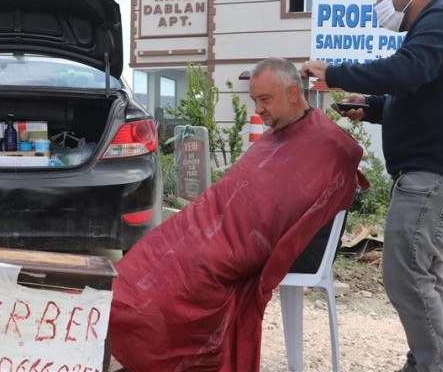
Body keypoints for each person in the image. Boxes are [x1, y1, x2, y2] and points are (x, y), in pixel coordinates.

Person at [109, 57, 367, 371]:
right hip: (212, 223)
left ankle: (180, 359)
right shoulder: (277, 134)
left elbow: (293, 213)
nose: (258, 109)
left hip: (247, 244)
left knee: (179, 279)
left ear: (292, 93)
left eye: (265, 99)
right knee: (151, 253)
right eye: (255, 100)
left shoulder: (330, 145)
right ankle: (145, 348)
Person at [301, 0, 443, 371]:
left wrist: (332, 73)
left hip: (436, 176)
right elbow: (425, 98)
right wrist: (372, 108)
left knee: (406, 273)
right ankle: (422, 362)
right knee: (424, 276)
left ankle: (435, 367)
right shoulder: (439, 29)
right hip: (432, 174)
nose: (379, 3)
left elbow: (406, 72)